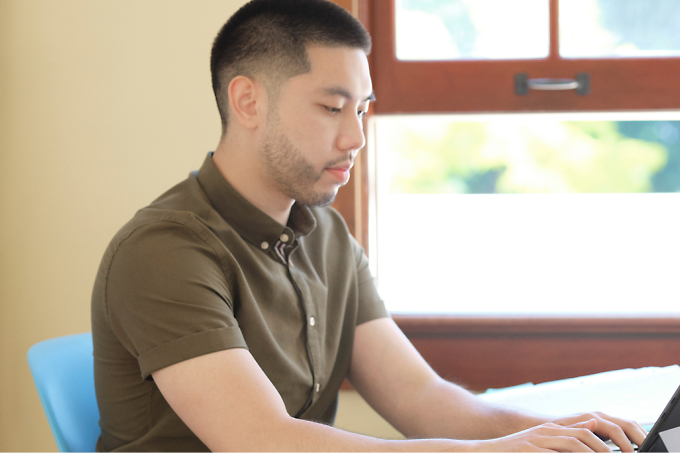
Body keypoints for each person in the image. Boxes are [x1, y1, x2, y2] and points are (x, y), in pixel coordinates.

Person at [90, 0, 646, 451]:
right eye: (333, 108)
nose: (355, 139)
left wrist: (565, 433)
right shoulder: (165, 251)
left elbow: (420, 397)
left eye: (362, 110)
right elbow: (262, 442)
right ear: (247, 101)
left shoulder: (327, 238)